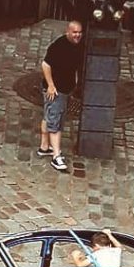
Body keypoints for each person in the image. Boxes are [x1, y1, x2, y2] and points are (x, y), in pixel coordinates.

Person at [38, 20, 84, 172]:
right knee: (55, 122)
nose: (77, 35)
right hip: (55, 90)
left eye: (79, 32)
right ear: (68, 32)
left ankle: (44, 146)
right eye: (74, 32)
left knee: (49, 115)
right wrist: (51, 85)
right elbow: (45, 65)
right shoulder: (59, 46)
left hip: (65, 89)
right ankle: (56, 155)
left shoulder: (78, 47)